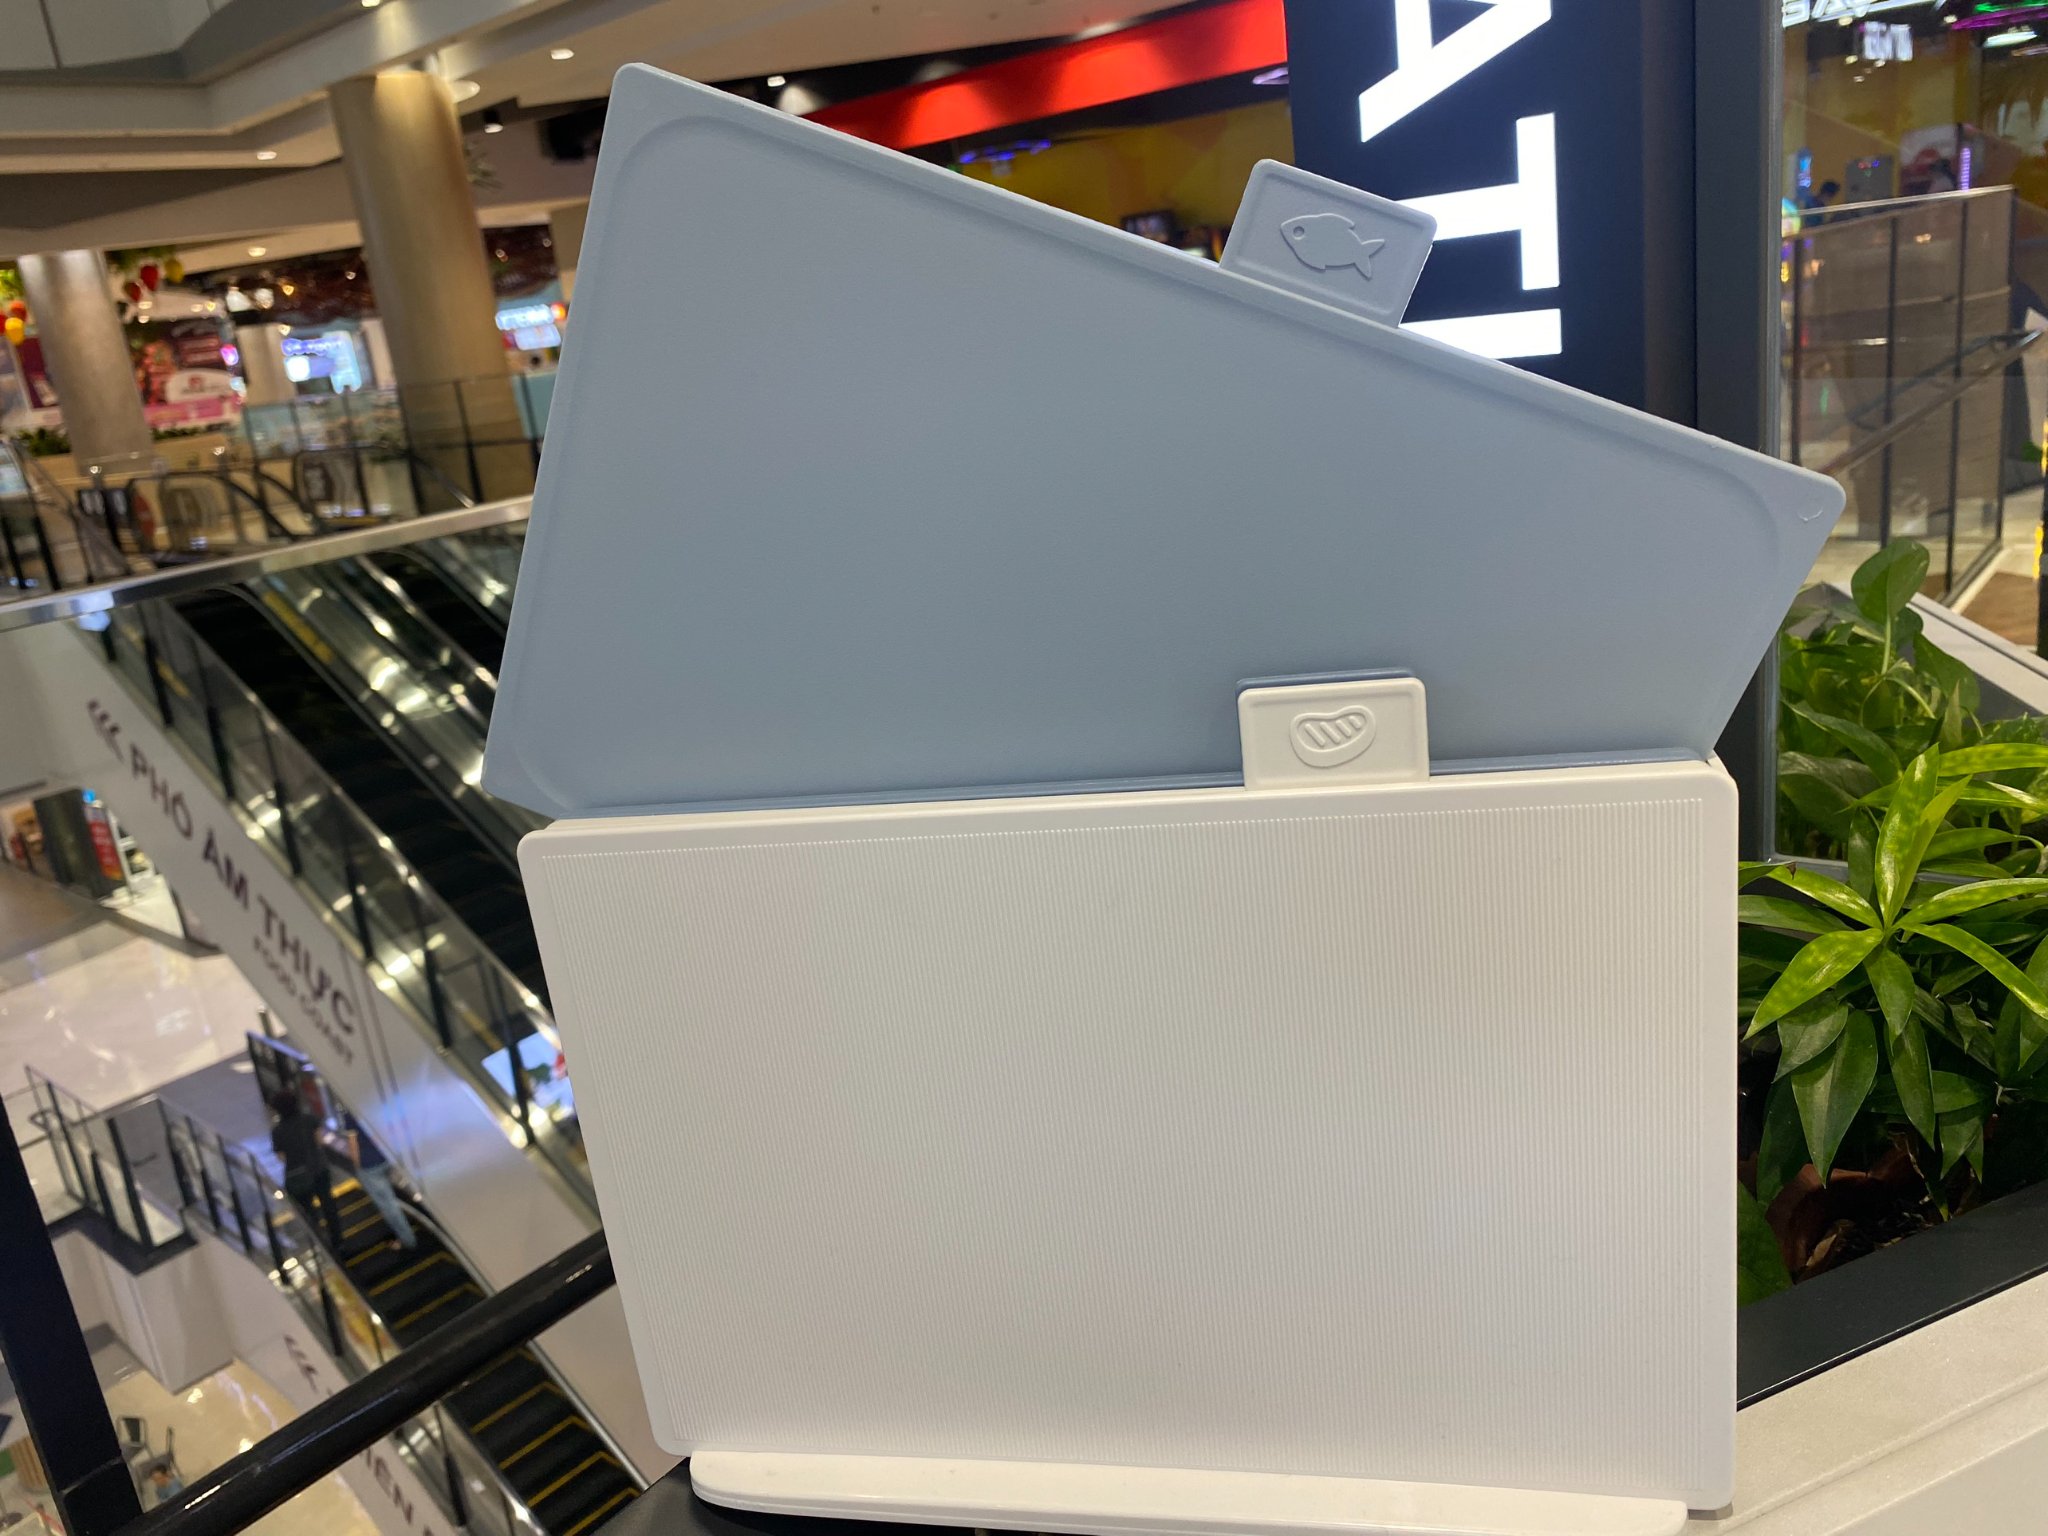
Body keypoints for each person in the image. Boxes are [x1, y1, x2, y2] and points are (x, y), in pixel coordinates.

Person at [268, 1089, 338, 1245]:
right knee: (328, 1205)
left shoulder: (277, 1131)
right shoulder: (309, 1119)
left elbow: (281, 1157)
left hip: (297, 1175)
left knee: (309, 1212)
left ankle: (321, 1242)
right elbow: (319, 1141)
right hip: (318, 1168)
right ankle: (338, 1241)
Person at [340, 1112, 416, 1250]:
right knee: (398, 1193)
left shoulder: (350, 1113)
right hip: (387, 1156)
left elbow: (353, 1143)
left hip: (369, 1165)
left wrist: (358, 1165)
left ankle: (408, 1241)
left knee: (388, 1205)